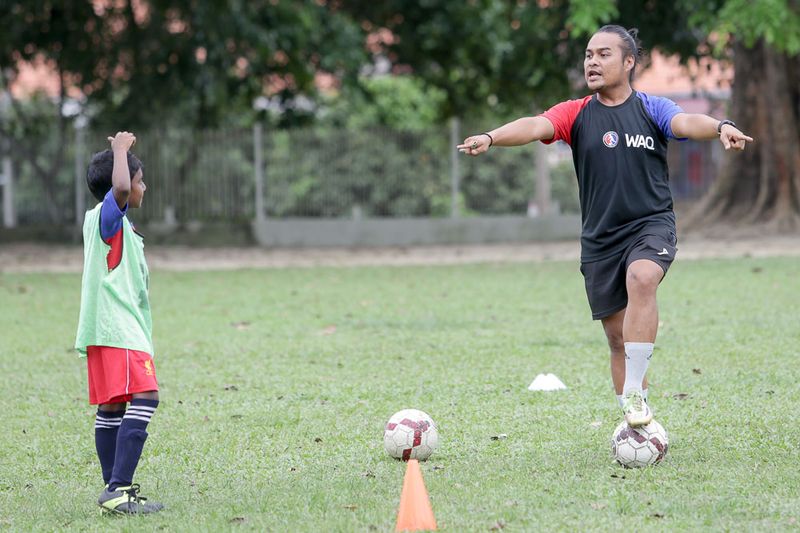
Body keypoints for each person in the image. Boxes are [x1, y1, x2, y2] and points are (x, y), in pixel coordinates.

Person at [458, 25, 753, 427]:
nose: (592, 62)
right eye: (588, 55)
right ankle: (639, 417)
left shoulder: (652, 108)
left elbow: (686, 123)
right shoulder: (576, 113)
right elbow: (534, 126)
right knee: (617, 340)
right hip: (600, 240)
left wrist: (721, 126)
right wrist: (491, 137)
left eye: (603, 54)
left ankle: (633, 391)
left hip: (651, 225)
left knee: (643, 276)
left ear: (629, 62)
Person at [75, 131, 163, 513]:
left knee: (112, 408)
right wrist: (120, 150)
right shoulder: (108, 218)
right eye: (139, 180)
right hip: (117, 330)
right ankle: (118, 488)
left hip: (110, 329)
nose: (142, 186)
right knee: (146, 396)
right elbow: (123, 189)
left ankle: (115, 492)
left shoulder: (113, 225)